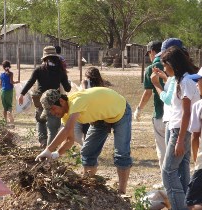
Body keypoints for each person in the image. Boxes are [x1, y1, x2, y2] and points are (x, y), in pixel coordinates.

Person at [35, 87, 132, 194]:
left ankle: (122, 193)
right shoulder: (65, 116)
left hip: (120, 112)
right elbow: (69, 140)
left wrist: (48, 150)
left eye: (52, 109)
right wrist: (55, 154)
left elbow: (67, 130)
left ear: (61, 101)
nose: (52, 113)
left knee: (121, 154)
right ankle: (89, 189)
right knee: (87, 153)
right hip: (101, 119)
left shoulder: (76, 101)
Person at [151, 46, 199, 210]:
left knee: (168, 172)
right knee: (182, 170)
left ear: (173, 64)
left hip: (180, 131)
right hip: (181, 130)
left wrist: (179, 140)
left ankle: (180, 207)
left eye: (166, 65)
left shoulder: (185, 82)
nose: (164, 68)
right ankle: (188, 204)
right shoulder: (182, 80)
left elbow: (186, 113)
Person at [18, 46, 71, 147]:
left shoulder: (39, 69)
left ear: (44, 57)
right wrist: (65, 79)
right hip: (54, 102)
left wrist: (22, 94)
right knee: (53, 128)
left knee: (40, 121)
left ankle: (43, 141)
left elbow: (30, 82)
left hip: (40, 100)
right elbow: (67, 89)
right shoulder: (60, 70)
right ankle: (49, 150)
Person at [134, 41, 166, 171]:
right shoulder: (176, 63)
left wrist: (139, 109)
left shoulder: (152, 68)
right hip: (180, 115)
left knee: (163, 151)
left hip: (161, 114)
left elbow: (148, 92)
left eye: (149, 53)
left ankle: (167, 183)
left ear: (152, 51)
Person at [185, 68, 202, 210]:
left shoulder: (198, 106)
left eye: (199, 80)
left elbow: (195, 136)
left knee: (193, 202)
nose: (196, 84)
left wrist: (196, 160)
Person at [74, 67, 105, 145]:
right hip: (97, 111)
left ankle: (85, 147)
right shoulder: (100, 83)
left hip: (87, 110)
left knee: (86, 131)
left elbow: (84, 93)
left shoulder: (85, 82)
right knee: (92, 132)